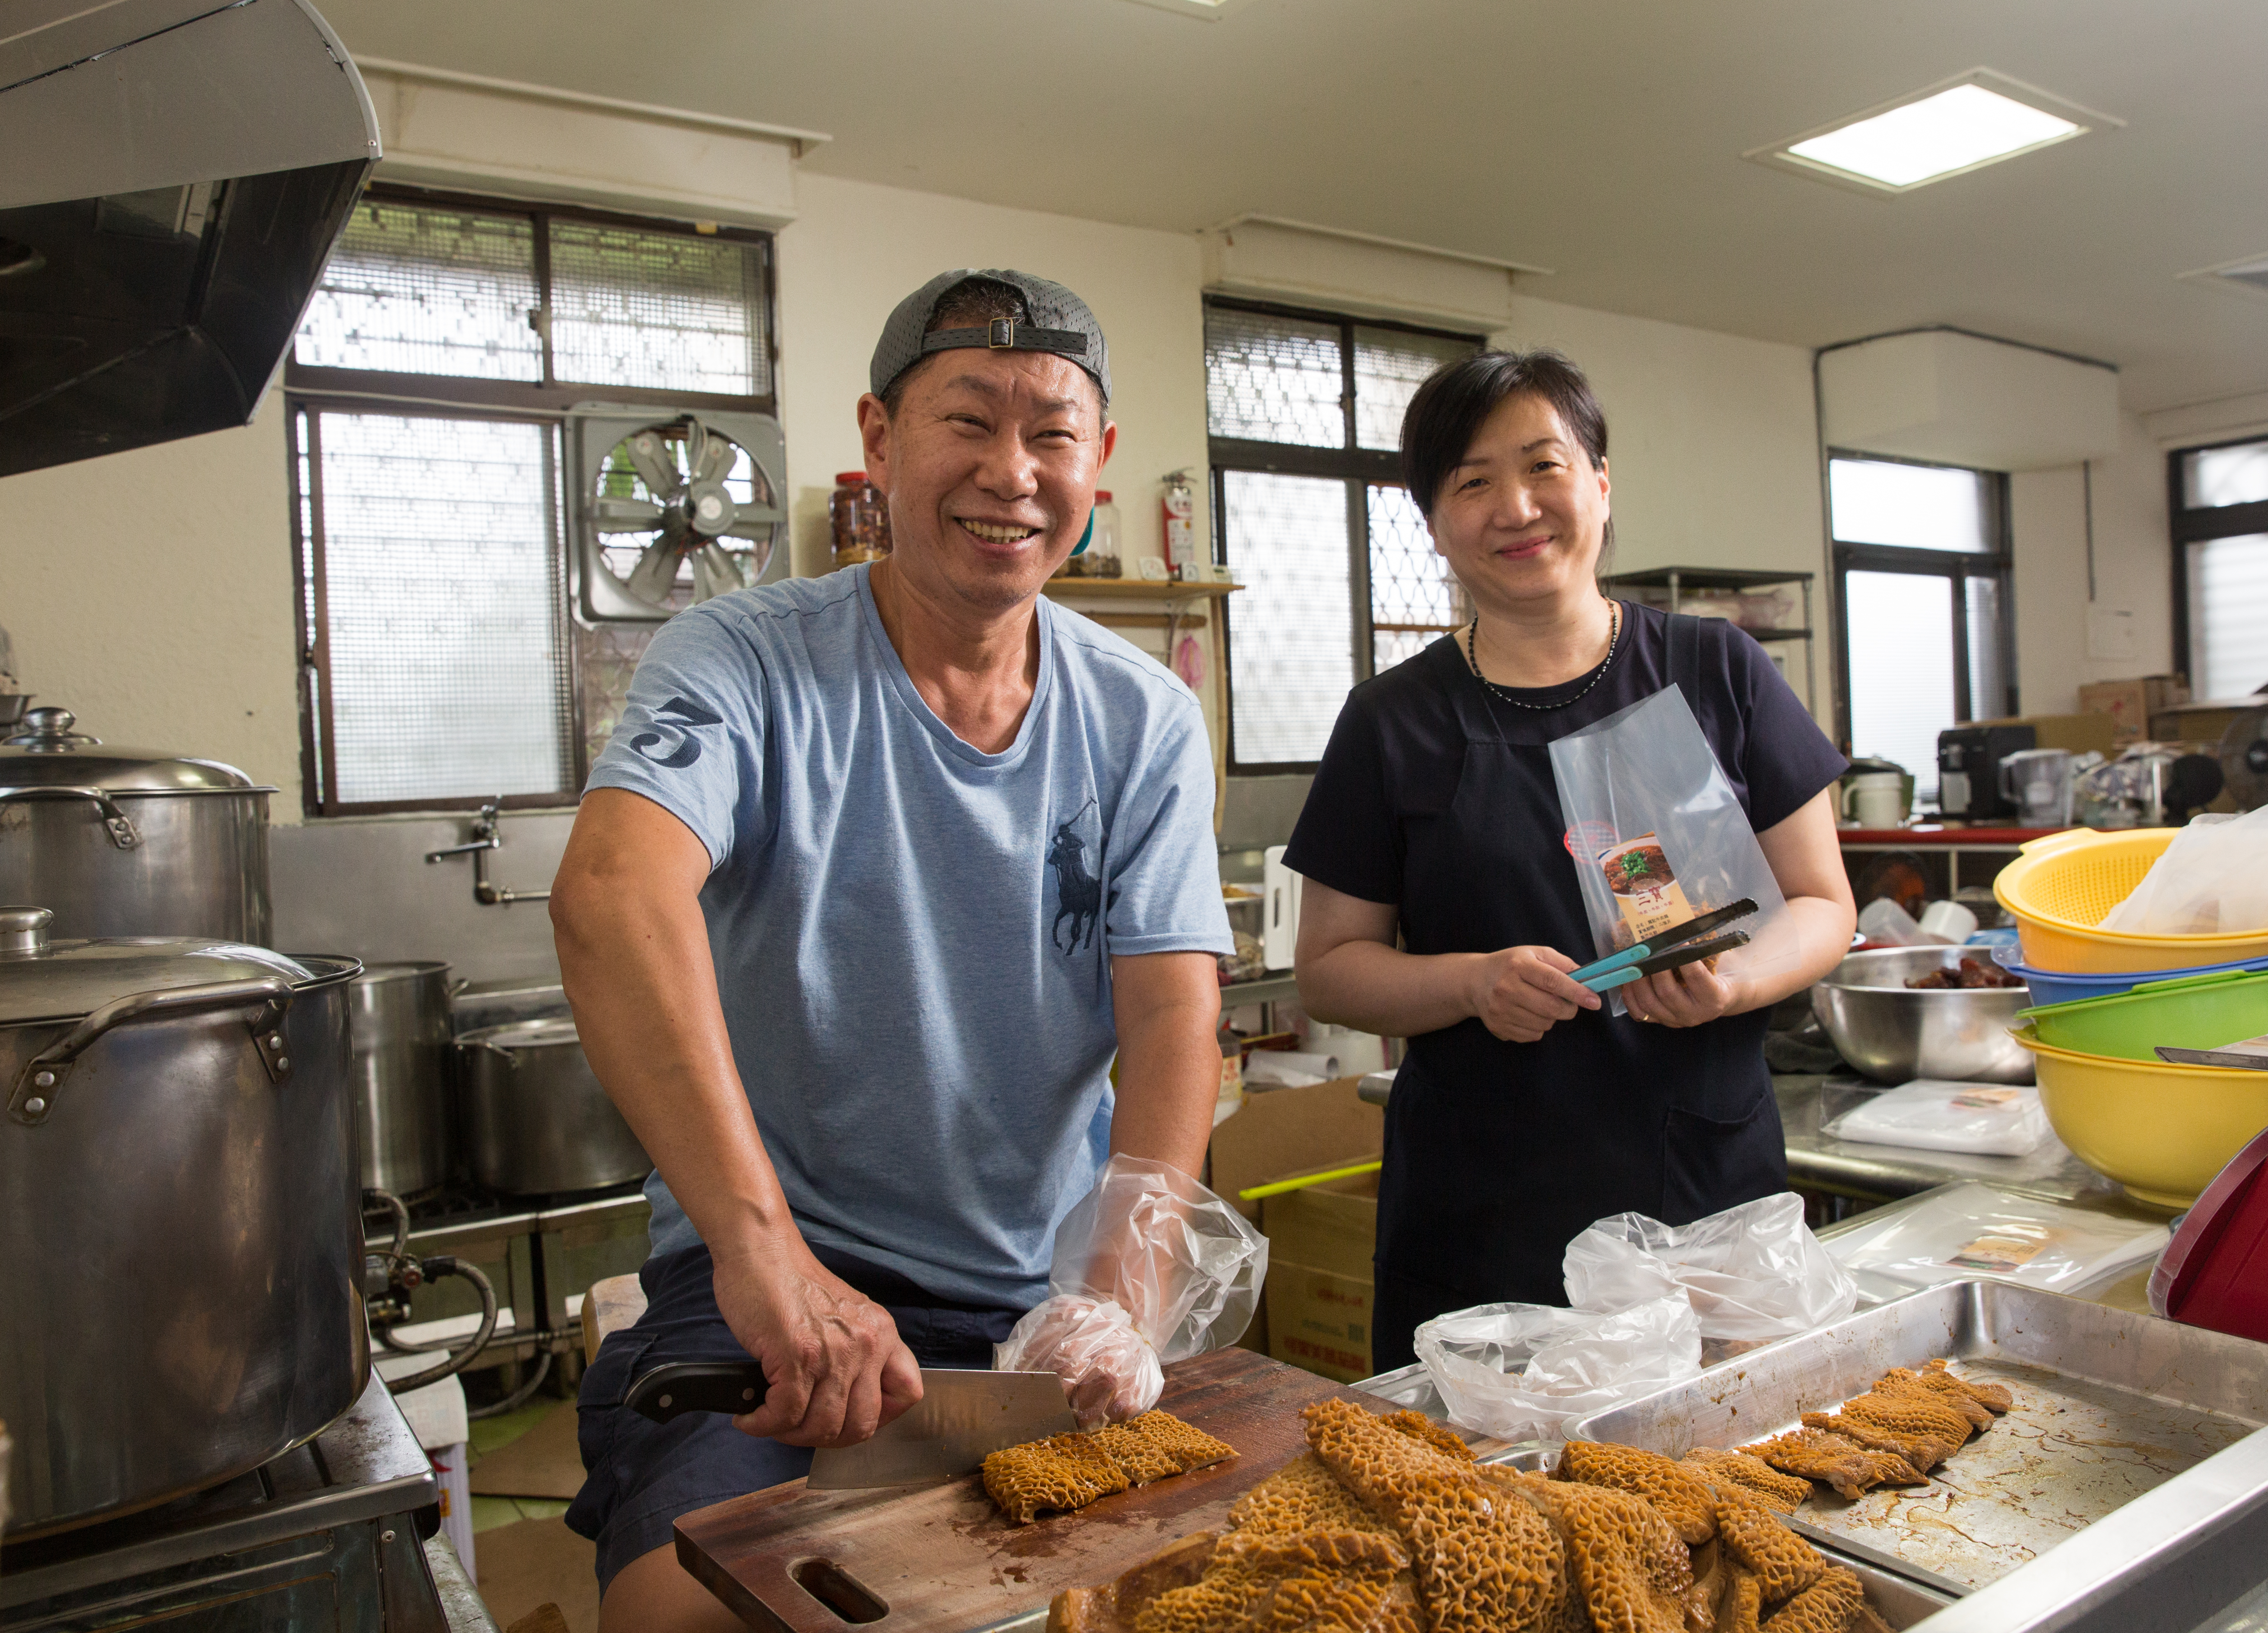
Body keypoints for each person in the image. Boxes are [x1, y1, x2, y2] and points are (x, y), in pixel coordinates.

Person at [552, 269, 1232, 1631]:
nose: (1010, 472)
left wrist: (1118, 1298)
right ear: (878, 439)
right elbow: (613, 895)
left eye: (1051, 434)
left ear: (1097, 460)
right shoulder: (744, 659)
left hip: (1034, 1308)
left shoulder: (1142, 717)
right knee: (687, 1611)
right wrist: (766, 1259)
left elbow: (1171, 1019)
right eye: (966, 421)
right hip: (771, 1284)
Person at [1284, 348, 1856, 1373]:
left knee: (1720, 1455)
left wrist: (1733, 980)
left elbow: (1821, 903)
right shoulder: (1391, 721)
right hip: (1482, 1221)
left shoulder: (1716, 670)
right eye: (1472, 481)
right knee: (1479, 1474)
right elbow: (1328, 968)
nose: (1516, 507)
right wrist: (1471, 983)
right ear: (1433, 522)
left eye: (1543, 465)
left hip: (1701, 1199)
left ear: (1599, 481)